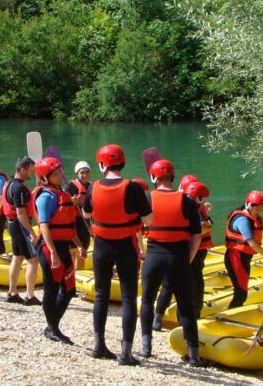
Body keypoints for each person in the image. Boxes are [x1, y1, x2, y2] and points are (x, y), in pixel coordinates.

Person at [82, 144, 152, 365]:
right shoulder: (132, 187)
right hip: (125, 246)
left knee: (101, 295)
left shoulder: (92, 187)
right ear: (122, 163)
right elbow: (148, 220)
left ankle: (98, 345)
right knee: (128, 298)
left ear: (102, 165)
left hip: (101, 247)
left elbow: (86, 212)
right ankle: (126, 353)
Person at [137, 160, 205, 367]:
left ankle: (146, 348)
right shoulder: (188, 201)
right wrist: (189, 258)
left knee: (147, 300)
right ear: (172, 177)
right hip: (179, 257)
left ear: (153, 177)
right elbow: (197, 236)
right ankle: (193, 354)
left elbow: (137, 228)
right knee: (185, 305)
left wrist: (142, 250)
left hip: (154, 256)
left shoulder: (148, 198)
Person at [33, 157, 87, 344]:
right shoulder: (45, 197)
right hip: (50, 249)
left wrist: (79, 244)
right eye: (55, 174)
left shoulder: (61, 195)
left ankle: (52, 325)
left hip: (64, 247)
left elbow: (68, 226)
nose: (59, 176)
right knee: (52, 289)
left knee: (69, 290)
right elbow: (44, 226)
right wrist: (53, 252)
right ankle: (53, 328)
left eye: (59, 173)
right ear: (45, 177)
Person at [152, 181, 213, 330]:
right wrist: (207, 223)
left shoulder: (185, 207)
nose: (203, 200)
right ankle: (187, 323)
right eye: (201, 198)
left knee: (169, 286)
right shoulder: (192, 211)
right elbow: (202, 229)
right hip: (191, 256)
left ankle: (157, 319)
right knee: (191, 289)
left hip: (180, 253)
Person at [224, 190, 263, 309]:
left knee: (242, 291)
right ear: (248, 205)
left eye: (261, 210)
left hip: (244, 258)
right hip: (236, 257)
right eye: (257, 209)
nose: (258, 213)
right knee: (241, 293)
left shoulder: (252, 218)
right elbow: (252, 244)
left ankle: (234, 312)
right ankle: (231, 314)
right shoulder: (242, 220)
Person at [2, 156, 41, 305]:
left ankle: (12, 292)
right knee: (33, 260)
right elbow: (21, 213)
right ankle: (30, 296)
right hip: (20, 226)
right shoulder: (18, 188)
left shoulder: (10, 184)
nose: (32, 173)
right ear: (22, 169)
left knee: (17, 258)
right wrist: (32, 234)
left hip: (12, 225)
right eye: (30, 170)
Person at [67, 160, 92, 269]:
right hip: (73, 221)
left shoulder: (92, 186)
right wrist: (71, 202)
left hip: (86, 222)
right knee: (73, 250)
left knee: (83, 252)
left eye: (87, 172)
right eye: (82, 172)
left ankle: (79, 274)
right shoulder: (69, 187)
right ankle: (70, 274)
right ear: (77, 174)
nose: (85, 175)